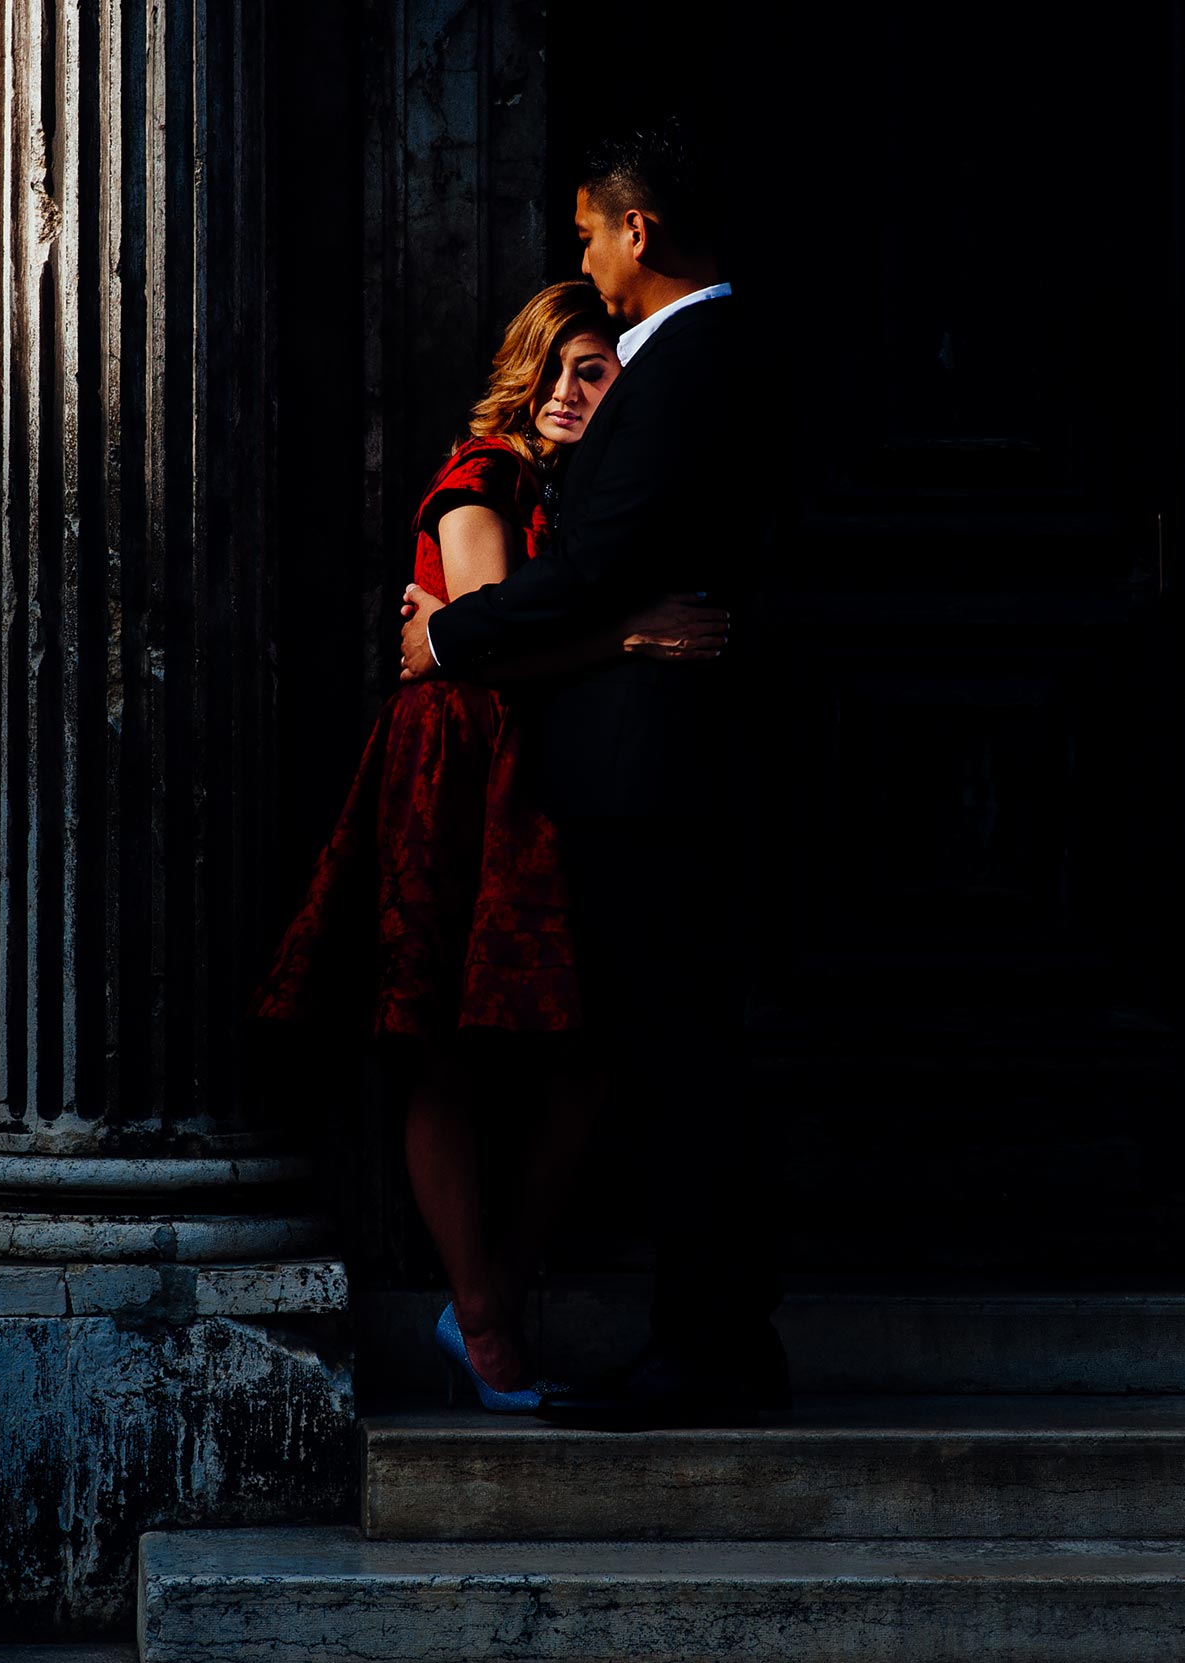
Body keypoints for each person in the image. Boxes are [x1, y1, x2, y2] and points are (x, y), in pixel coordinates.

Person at [256, 280, 726, 1412]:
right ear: (522, 372)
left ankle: (497, 1299)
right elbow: (463, 647)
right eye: (557, 367)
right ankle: (481, 1318)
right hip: (457, 773)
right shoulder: (484, 479)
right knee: (441, 1048)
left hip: (535, 773)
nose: (573, 390)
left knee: (580, 1051)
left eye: (598, 370)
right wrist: (627, 632)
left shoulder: (584, 495)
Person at [398, 120, 787, 1427]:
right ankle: (707, 1338)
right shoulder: (671, 368)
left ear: (641, 231)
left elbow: (602, 558)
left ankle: (708, 1349)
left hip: (654, 777)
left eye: (588, 231)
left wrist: (447, 630)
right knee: (670, 1061)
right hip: (631, 767)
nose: (582, 256)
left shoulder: (692, 362)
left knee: (678, 1066)